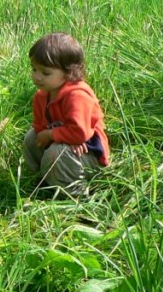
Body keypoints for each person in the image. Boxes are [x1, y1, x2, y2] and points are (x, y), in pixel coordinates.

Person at [23, 33, 110, 198]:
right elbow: (40, 127)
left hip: (88, 152)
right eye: (34, 69)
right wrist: (58, 137)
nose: (37, 76)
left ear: (69, 72)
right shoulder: (42, 96)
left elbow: (79, 133)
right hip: (66, 144)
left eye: (45, 73)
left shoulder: (77, 95)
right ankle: (43, 182)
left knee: (58, 152)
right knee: (31, 137)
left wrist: (53, 135)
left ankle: (74, 196)